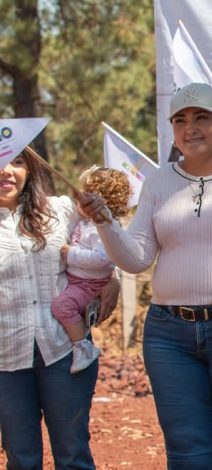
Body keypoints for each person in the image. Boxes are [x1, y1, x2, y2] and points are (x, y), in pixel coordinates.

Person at [78, 82, 212, 470]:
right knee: (188, 456)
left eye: (202, 117)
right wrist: (105, 223)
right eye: (181, 120)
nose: (191, 128)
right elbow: (136, 259)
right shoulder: (157, 181)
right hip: (168, 336)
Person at [0, 149, 120, 469]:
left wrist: (113, 278)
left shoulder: (61, 209)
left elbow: (104, 239)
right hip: (6, 360)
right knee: (21, 459)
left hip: (65, 352)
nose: (7, 171)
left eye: (17, 161)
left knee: (73, 455)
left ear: (31, 168)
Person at [52, 167, 130, 374]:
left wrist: (70, 254)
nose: (78, 194)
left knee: (62, 306)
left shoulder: (101, 226)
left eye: (86, 192)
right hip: (80, 280)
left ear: (101, 200)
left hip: (87, 284)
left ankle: (83, 347)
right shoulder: (86, 221)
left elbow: (104, 259)